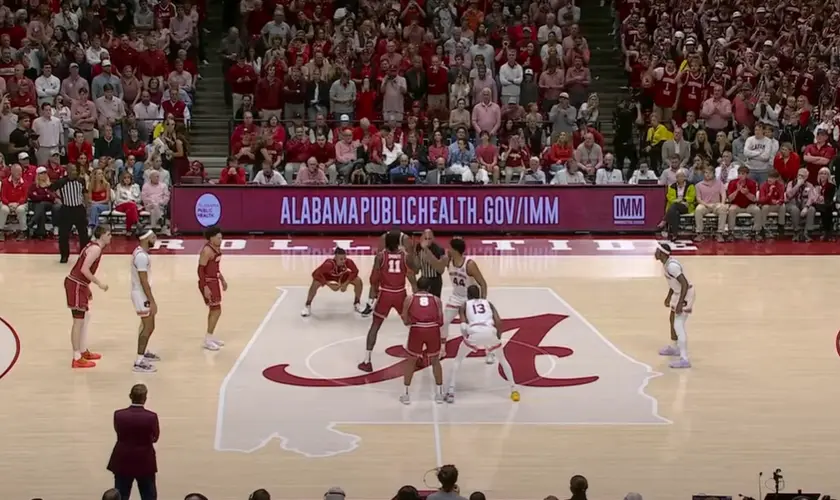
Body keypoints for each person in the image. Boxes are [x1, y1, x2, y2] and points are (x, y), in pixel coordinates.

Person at [446, 285, 519, 403]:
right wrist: (498, 337)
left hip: (474, 333)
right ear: (479, 294)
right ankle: (514, 390)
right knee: (503, 360)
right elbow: (498, 321)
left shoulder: (464, 305)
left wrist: (466, 338)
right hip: (490, 332)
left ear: (467, 295)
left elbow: (463, 326)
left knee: (458, 361)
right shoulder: (488, 303)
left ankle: (450, 392)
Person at [358, 230, 417, 373]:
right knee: (411, 324)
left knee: (375, 326)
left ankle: (367, 361)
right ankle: (420, 355)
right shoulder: (405, 257)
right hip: (400, 293)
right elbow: (414, 272)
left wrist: (374, 291)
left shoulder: (380, 257)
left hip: (385, 293)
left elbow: (373, 279)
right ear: (398, 242)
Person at [421, 238, 489, 361]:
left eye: (450, 248)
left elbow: (483, 283)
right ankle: (442, 349)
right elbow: (438, 267)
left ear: (455, 250)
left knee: (479, 325)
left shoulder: (469, 264)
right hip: (456, 297)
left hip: (469, 299)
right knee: (443, 322)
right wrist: (426, 249)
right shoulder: (448, 260)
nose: (448, 250)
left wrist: (481, 302)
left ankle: (490, 351)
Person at [63, 225, 111, 368]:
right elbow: (84, 269)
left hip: (80, 284)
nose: (111, 237)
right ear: (101, 235)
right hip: (76, 284)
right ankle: (76, 357)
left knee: (85, 317)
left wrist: (87, 287)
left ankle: (83, 350)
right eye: (108, 234)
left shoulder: (93, 246)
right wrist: (99, 283)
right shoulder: (96, 249)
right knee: (78, 321)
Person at [107, 383, 159, 500]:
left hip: (123, 459)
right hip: (145, 460)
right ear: (145, 398)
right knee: (148, 495)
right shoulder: (151, 417)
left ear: (130, 396)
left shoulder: (119, 414)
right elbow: (155, 437)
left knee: (121, 494)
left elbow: (117, 431)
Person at [399, 277, 445, 404]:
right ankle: (439, 393)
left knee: (411, 361)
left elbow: (404, 317)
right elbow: (441, 320)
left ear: (417, 287)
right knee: (435, 361)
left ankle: (406, 394)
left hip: (417, 329)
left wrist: (412, 323)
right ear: (429, 288)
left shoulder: (410, 299)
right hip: (433, 329)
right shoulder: (436, 300)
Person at [655, 242, 693, 369]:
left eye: (657, 251)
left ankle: (684, 359)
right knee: (672, 319)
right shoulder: (666, 264)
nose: (654, 253)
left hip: (686, 294)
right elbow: (674, 283)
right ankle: (674, 347)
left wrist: (680, 303)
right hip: (678, 292)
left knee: (678, 324)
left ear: (661, 254)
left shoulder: (672, 267)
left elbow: (685, 284)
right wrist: (669, 296)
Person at [301, 247, 370, 317]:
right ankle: (307, 305)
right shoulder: (328, 264)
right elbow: (315, 274)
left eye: (344, 258)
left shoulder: (348, 262)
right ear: (335, 258)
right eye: (341, 259)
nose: (343, 261)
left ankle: (357, 303)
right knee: (315, 283)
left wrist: (346, 284)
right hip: (328, 277)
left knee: (358, 281)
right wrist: (329, 284)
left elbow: (355, 271)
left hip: (341, 276)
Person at [131, 228, 160, 373]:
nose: (155, 239)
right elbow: (143, 281)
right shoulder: (141, 257)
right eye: (153, 237)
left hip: (141, 294)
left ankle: (143, 352)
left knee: (147, 325)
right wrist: (152, 301)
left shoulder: (140, 253)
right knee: (148, 326)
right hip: (141, 295)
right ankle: (139, 361)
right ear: (145, 239)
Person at [51, 163, 90, 263]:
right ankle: (64, 255)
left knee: (83, 234)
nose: (74, 172)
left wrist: (86, 206)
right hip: (66, 209)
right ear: (67, 171)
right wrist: (58, 198)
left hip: (79, 208)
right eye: (72, 170)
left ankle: (83, 254)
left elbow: (85, 193)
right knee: (63, 234)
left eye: (75, 170)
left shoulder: (81, 180)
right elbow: (50, 190)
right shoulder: (61, 182)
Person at [197, 226, 227, 351]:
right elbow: (200, 270)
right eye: (219, 238)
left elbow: (215, 268)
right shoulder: (207, 251)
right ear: (212, 238)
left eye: (221, 238)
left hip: (214, 281)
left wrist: (222, 279)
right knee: (216, 310)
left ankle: (210, 336)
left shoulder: (217, 248)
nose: (221, 240)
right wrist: (205, 287)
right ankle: (208, 339)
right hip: (208, 282)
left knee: (215, 309)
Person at [415, 229, 445, 298]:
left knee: (434, 302)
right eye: (425, 238)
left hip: (435, 281)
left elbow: (440, 270)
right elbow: (417, 268)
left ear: (433, 238)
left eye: (429, 238)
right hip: (423, 279)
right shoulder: (418, 247)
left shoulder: (438, 249)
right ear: (422, 238)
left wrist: (426, 250)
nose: (427, 241)